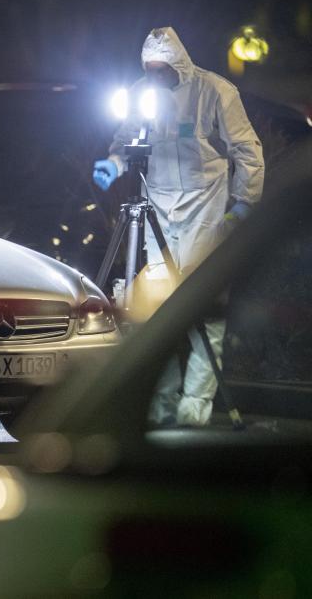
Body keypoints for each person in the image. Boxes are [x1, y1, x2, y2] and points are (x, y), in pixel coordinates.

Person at [93, 26, 264, 426]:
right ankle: (160, 403)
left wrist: (244, 204)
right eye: (148, 69)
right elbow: (125, 141)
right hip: (158, 209)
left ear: (178, 64)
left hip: (206, 210)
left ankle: (195, 407)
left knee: (206, 307)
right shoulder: (140, 93)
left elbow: (247, 151)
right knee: (155, 311)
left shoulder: (215, 92)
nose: (155, 77)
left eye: (161, 69)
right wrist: (113, 164)